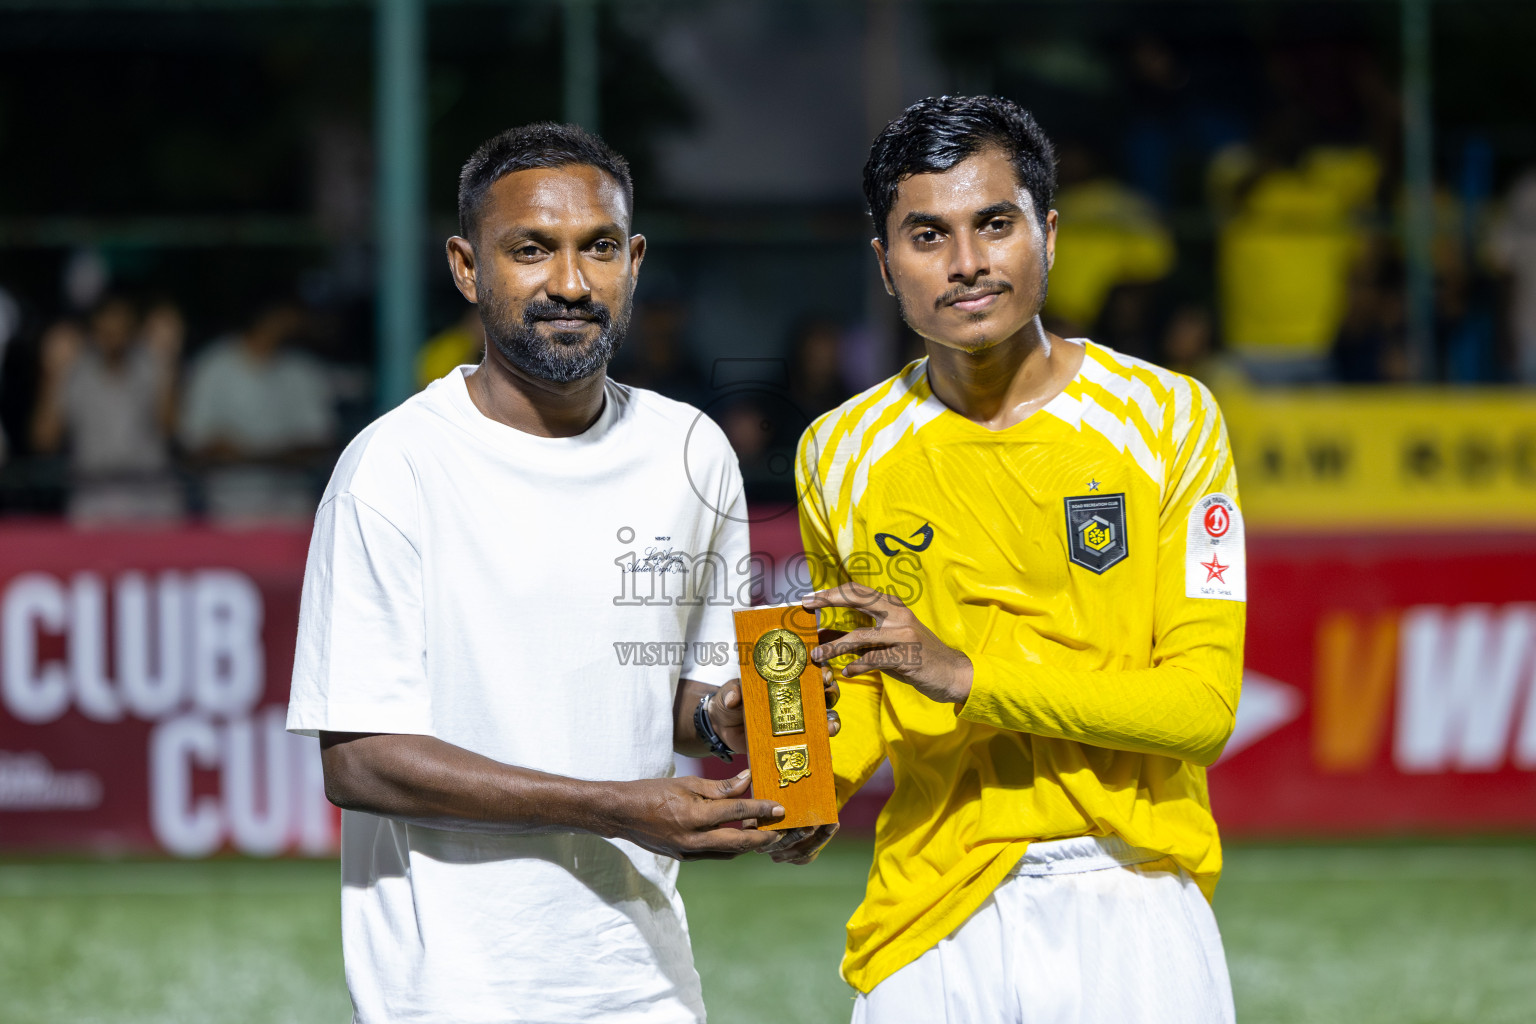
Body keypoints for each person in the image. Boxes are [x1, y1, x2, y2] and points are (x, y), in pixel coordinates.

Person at [286, 122, 832, 1024]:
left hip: (643, 980)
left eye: (599, 248)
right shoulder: (394, 468)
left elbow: (676, 703)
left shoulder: (690, 451)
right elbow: (364, 762)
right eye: (532, 250)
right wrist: (616, 807)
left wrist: (731, 721)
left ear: (635, 259)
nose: (571, 283)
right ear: (467, 268)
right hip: (451, 993)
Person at [785, 96, 1244, 1023]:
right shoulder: (838, 451)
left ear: (1049, 232)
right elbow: (868, 686)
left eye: (995, 224)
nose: (966, 264)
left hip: (1133, 891)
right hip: (927, 910)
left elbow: (1201, 710)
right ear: (884, 263)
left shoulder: (1169, 420)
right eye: (927, 235)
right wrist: (796, 785)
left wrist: (965, 674)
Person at [31, 294, 184, 523]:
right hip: (93, 498)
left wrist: (167, 364)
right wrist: (53, 375)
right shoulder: (75, 372)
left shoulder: (152, 366)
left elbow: (170, 429)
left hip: (151, 497)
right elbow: (44, 440)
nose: (114, 336)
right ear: (94, 329)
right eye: (107, 328)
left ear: (133, 330)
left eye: (121, 328)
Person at [180, 299, 335, 522]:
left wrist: (262, 456)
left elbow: (321, 441)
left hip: (292, 509)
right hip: (228, 508)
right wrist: (228, 450)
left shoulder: (303, 370)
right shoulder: (213, 365)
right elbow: (192, 442)